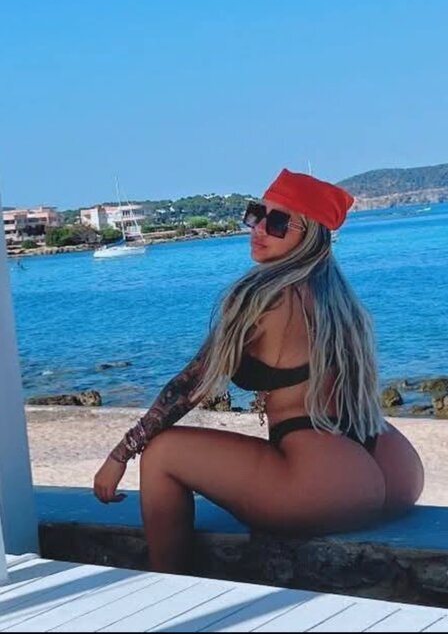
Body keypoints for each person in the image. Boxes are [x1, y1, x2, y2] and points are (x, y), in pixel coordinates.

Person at [93, 169, 423, 573]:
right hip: (396, 470)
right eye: (256, 214)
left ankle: (168, 584)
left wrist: (121, 453)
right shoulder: (339, 300)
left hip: (326, 484)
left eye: (279, 221)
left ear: (310, 234)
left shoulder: (261, 295)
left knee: (161, 453)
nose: (259, 228)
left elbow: (193, 382)